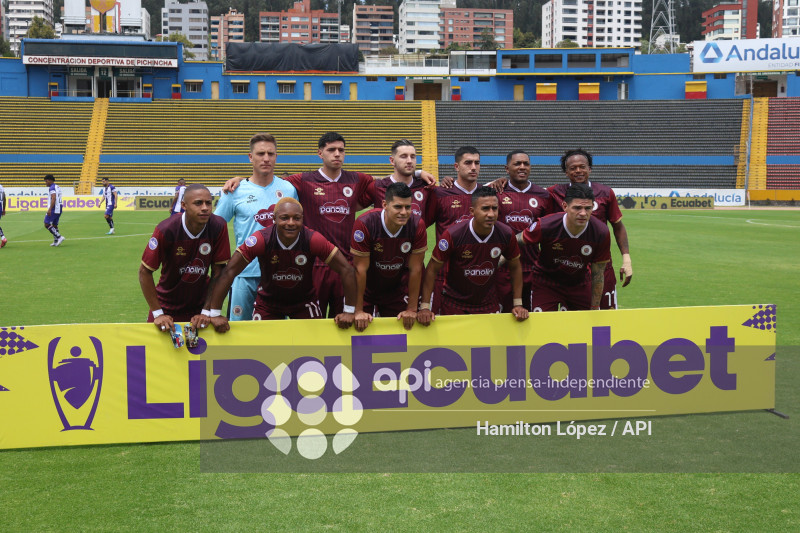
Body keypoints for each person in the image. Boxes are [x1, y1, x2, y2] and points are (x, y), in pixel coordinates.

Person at [222, 132, 434, 318]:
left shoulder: (358, 179)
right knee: (309, 321)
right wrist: (242, 179)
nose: (337, 154)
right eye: (331, 150)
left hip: (345, 265)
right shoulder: (302, 181)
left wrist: (416, 173)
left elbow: (388, 182)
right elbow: (267, 178)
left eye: (341, 150)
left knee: (344, 320)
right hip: (311, 266)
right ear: (320, 153)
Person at [206, 197, 356, 329]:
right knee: (264, 351)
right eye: (284, 218)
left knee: (312, 351)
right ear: (274, 218)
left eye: (296, 218)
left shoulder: (313, 239)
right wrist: (215, 313)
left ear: (302, 219)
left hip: (304, 303)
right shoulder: (260, 240)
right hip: (268, 304)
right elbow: (229, 271)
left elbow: (346, 270)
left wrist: (349, 311)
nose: (291, 223)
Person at [214, 133, 298, 321]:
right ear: (251, 157)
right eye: (261, 154)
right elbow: (215, 227)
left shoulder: (288, 189)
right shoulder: (234, 191)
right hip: (244, 273)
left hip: (280, 274)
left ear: (277, 156)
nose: (266, 158)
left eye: (271, 153)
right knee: (239, 331)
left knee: (278, 331)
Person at [418, 187, 528, 324]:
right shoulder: (453, 235)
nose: (491, 214)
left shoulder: (506, 234)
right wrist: (424, 307)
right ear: (472, 211)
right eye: (485, 209)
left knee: (488, 345)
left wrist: (517, 304)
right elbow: (432, 269)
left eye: (495, 208)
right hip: (454, 303)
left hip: (488, 304)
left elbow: (515, 267)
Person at [139, 184, 231, 333]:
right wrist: (158, 313)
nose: (205, 207)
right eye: (198, 203)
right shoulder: (166, 229)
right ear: (184, 205)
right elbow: (144, 271)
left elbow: (219, 271)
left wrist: (206, 311)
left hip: (199, 309)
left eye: (209, 202)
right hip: (165, 306)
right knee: (156, 354)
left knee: (198, 354)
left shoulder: (218, 226)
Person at [548, 149, 632, 309]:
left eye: (582, 166)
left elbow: (618, 226)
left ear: (590, 169)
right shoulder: (555, 193)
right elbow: (525, 191)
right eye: (573, 168)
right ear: (566, 172)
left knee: (605, 318)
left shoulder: (606, 193)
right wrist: (500, 181)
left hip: (601, 266)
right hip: (569, 269)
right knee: (573, 322)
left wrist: (626, 259)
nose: (578, 170)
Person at [518, 182, 611, 311]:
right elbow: (517, 240)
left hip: (579, 283)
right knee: (543, 326)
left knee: (582, 327)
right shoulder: (546, 225)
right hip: (546, 282)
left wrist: (595, 307)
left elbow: (598, 273)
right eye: (577, 208)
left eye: (588, 208)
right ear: (565, 206)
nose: (583, 213)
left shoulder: (601, 232)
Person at [350, 182, 427, 332]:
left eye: (408, 207)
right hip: (367, 289)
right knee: (359, 334)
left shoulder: (417, 224)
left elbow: (416, 268)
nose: (404, 212)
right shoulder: (365, 223)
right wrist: (358, 310)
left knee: (398, 335)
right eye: (398, 207)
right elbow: (360, 269)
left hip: (397, 289)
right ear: (385, 204)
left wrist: (412, 308)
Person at [495, 150, 556, 311]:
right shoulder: (496, 191)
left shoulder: (543, 195)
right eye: (517, 164)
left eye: (526, 164)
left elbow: (548, 232)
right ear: (507, 169)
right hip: (502, 268)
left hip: (532, 269)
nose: (522, 167)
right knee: (503, 318)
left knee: (531, 318)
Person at [425, 146, 482, 313]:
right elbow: (421, 225)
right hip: (444, 276)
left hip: (479, 275)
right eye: (468, 163)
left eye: (477, 163)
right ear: (456, 166)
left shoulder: (488, 194)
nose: (473, 167)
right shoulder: (440, 193)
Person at [363, 139, 435, 226]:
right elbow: (352, 206)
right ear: (392, 161)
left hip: (416, 239)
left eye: (412, 156)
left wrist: (447, 180)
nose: (409, 161)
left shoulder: (427, 187)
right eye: (403, 156)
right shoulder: (377, 186)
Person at [43, 174, 65, 247]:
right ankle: (56, 241)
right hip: (59, 207)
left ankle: (59, 237)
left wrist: (49, 209)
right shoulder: (57, 186)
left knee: (46, 224)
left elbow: (53, 198)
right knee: (54, 225)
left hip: (54, 208)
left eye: (46, 181)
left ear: (50, 180)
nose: (45, 183)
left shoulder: (52, 188)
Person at [0, 182, 6, 248]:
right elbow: (4, 198)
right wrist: (3, 208)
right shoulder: (1, 187)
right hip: (0, 206)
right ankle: (3, 238)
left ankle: (3, 238)